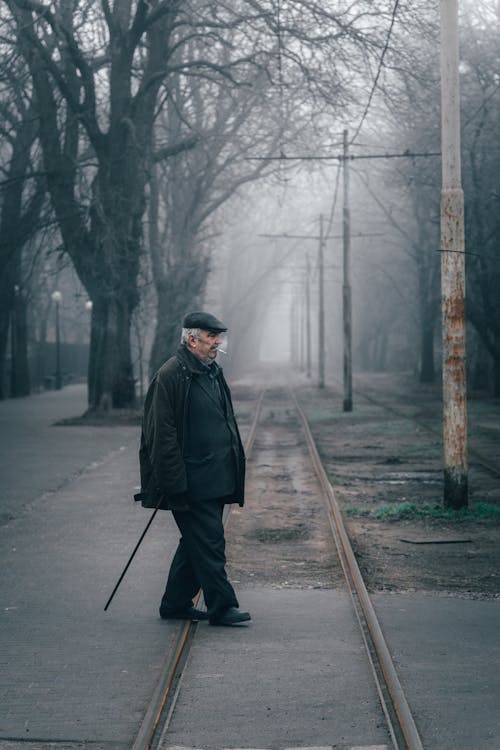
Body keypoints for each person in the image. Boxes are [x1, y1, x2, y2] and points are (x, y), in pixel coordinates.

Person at [135, 311, 251, 627]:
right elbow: (161, 436)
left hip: (215, 477)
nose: (217, 343)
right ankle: (222, 606)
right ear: (191, 338)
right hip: (190, 480)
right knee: (210, 541)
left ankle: (174, 604)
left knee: (195, 542)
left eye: (218, 337)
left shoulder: (210, 372)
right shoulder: (171, 375)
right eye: (211, 336)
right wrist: (174, 484)